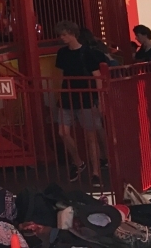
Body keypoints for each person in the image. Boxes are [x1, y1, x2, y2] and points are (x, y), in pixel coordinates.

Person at [55, 20, 108, 183]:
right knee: (63, 132)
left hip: (85, 97)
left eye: (64, 34)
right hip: (68, 96)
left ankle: (95, 172)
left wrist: (99, 98)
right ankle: (78, 161)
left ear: (73, 34)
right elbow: (60, 74)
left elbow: (97, 76)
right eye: (61, 35)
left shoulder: (88, 52)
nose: (62, 38)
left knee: (90, 136)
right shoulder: (62, 53)